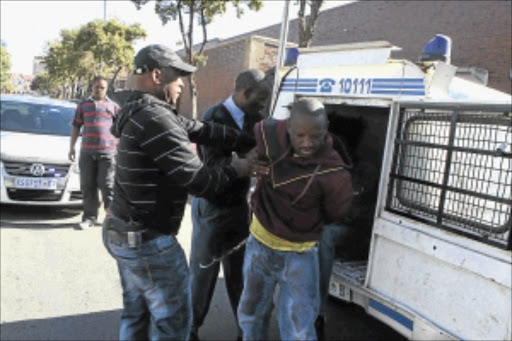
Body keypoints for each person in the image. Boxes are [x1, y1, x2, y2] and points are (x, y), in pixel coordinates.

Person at [102, 44, 258, 341]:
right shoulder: (155, 119)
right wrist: (240, 168)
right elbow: (200, 182)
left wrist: (245, 139)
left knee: (136, 316)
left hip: (125, 232)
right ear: (158, 75)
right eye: (178, 77)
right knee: (174, 323)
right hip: (148, 242)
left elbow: (200, 129)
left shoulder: (142, 110)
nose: (182, 84)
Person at [237, 98, 354, 341]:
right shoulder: (269, 135)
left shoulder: (334, 172)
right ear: (288, 126)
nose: (307, 143)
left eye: (315, 136)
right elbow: (250, 153)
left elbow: (336, 213)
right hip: (259, 246)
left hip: (300, 255)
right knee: (251, 315)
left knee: (299, 327)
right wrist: (252, 163)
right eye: (299, 135)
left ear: (326, 128)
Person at [189, 68, 270, 341]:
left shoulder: (257, 119)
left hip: (238, 208)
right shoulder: (213, 118)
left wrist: (255, 163)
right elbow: (211, 165)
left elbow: (260, 153)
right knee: (202, 276)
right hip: (211, 209)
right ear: (244, 92)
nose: (263, 104)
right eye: (260, 98)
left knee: (241, 277)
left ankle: (245, 332)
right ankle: (189, 330)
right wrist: (242, 166)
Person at [69, 76, 120, 230]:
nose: (99, 90)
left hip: (107, 153)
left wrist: (120, 149)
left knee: (107, 185)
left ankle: (111, 218)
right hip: (87, 152)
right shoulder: (83, 106)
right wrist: (71, 147)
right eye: (96, 87)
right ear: (91, 88)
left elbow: (120, 131)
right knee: (87, 185)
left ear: (106, 89)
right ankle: (89, 217)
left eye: (102, 87)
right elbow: (76, 126)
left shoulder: (114, 107)